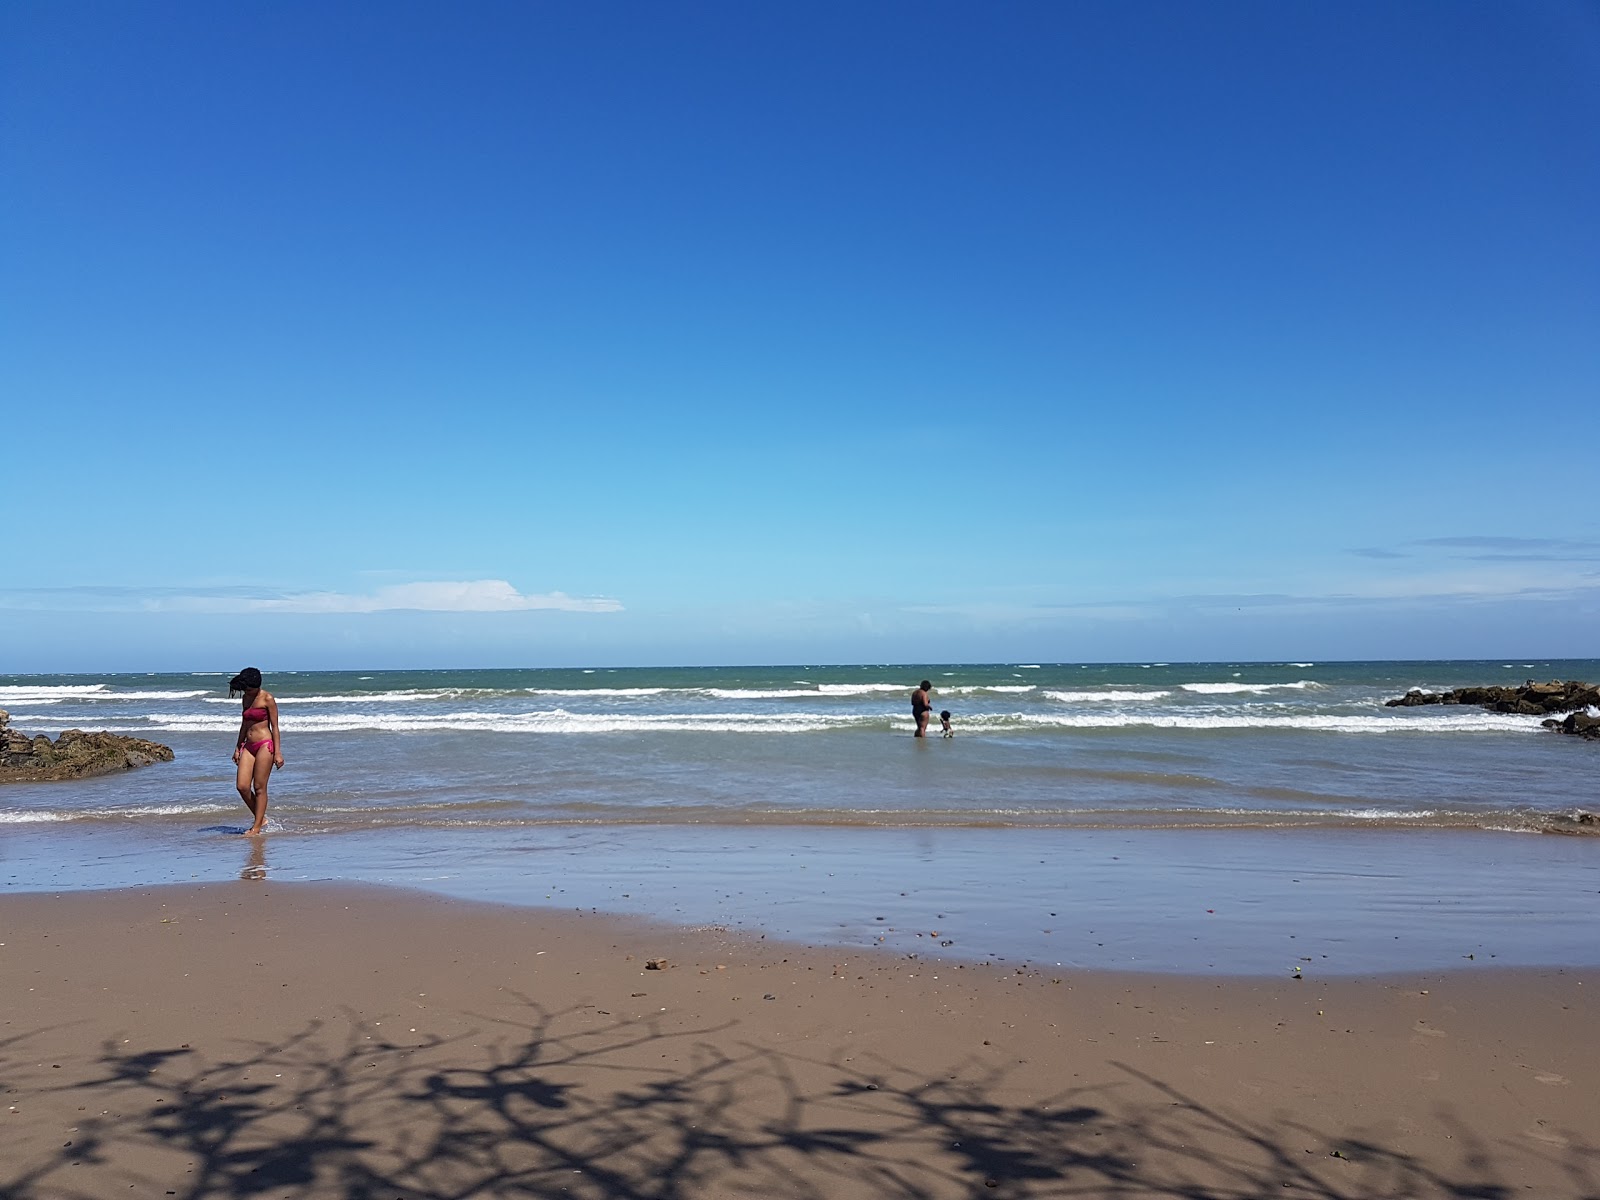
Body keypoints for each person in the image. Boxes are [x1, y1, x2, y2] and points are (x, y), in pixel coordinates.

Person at [229, 667, 283, 835]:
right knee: (242, 786)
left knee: (259, 787)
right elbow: (244, 724)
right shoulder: (246, 698)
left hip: (265, 745)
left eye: (250, 689)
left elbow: (275, 727)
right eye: (246, 689)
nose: (247, 692)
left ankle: (257, 827)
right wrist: (238, 746)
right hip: (249, 746)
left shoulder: (267, 699)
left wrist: (278, 753)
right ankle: (261, 818)